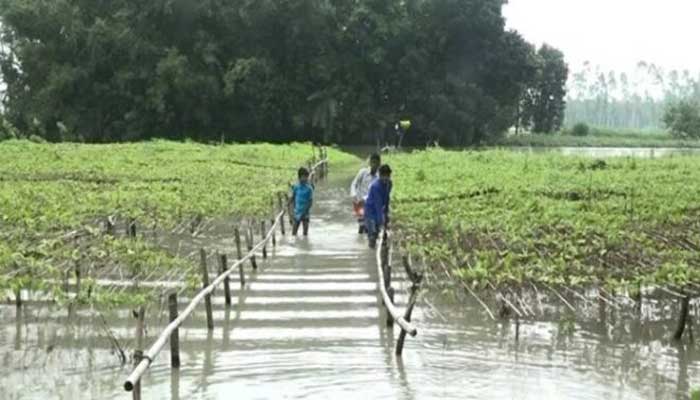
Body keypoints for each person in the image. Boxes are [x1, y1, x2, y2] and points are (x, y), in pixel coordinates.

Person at [350, 153, 381, 234]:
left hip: (371, 205)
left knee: (370, 228)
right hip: (360, 204)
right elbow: (354, 184)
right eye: (372, 162)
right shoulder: (363, 172)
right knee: (361, 226)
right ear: (370, 163)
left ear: (379, 164)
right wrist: (354, 195)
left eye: (376, 163)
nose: (374, 165)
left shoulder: (379, 178)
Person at [364, 164, 392, 249]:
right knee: (373, 234)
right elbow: (378, 204)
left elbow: (387, 197)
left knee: (384, 234)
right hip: (370, 211)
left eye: (387, 176)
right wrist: (381, 221)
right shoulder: (376, 187)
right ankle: (371, 251)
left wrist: (386, 213)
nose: (385, 178)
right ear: (379, 175)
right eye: (383, 176)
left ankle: (383, 248)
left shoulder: (389, 184)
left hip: (379, 208)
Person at [291, 167, 313, 236]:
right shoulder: (296, 187)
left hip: (305, 213)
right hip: (297, 212)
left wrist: (305, 211)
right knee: (294, 232)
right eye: (304, 177)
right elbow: (293, 197)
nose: (306, 179)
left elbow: (310, 201)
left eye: (307, 177)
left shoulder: (309, 189)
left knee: (305, 233)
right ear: (300, 177)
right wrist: (288, 204)